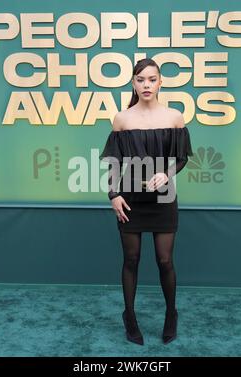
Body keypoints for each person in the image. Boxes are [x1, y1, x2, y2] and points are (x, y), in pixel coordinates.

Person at [99, 58, 193, 346]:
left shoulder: (175, 117)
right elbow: (114, 162)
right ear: (133, 83)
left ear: (160, 82)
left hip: (164, 198)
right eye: (141, 80)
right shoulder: (122, 118)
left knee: (165, 260)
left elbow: (182, 158)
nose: (146, 85)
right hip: (130, 198)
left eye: (152, 79)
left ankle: (170, 315)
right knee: (131, 259)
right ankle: (129, 316)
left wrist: (166, 174)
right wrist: (113, 194)